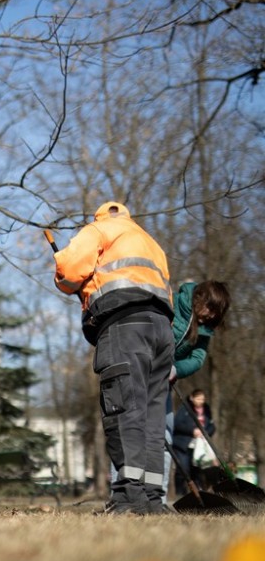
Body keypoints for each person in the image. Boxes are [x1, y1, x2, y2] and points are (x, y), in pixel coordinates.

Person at [52, 201, 174, 514]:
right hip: (162, 330)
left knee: (123, 409)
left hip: (125, 327)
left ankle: (128, 497)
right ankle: (152, 499)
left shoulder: (100, 229)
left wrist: (62, 276)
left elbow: (69, 270)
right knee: (152, 417)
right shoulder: (150, 242)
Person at [164, 280, 230, 497]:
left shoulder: (204, 329)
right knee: (136, 431)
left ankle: (158, 496)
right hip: (142, 369)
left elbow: (197, 358)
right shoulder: (172, 303)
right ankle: (128, 491)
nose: (211, 315)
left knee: (164, 433)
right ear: (199, 298)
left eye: (216, 313)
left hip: (165, 379)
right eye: (210, 308)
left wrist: (176, 369)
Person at [171, 389, 217, 492]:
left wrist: (205, 433)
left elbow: (212, 426)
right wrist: (192, 431)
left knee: (197, 471)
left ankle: (198, 493)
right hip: (183, 445)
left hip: (199, 445)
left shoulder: (206, 409)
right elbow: (177, 424)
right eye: (198, 399)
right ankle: (180, 493)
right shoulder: (184, 408)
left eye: (202, 399)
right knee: (183, 469)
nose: (201, 401)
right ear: (192, 398)